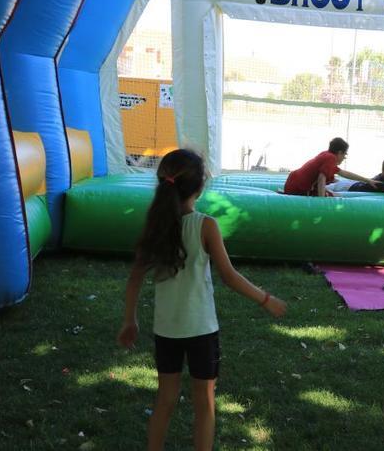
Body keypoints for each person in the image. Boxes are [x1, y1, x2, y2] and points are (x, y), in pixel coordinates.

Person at [117, 149, 287, 451]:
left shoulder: (156, 225)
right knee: (204, 406)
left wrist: (130, 320)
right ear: (200, 186)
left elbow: (134, 279)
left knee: (165, 400)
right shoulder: (205, 225)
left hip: (166, 330)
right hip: (201, 331)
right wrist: (266, 299)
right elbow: (229, 276)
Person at [283, 137, 378, 196]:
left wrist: (367, 180)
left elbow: (343, 173)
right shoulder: (330, 158)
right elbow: (321, 178)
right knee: (336, 196)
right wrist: (322, 201)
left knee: (333, 193)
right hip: (297, 188)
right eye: (345, 154)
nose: (344, 157)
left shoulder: (326, 154)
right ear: (340, 152)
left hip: (292, 182)